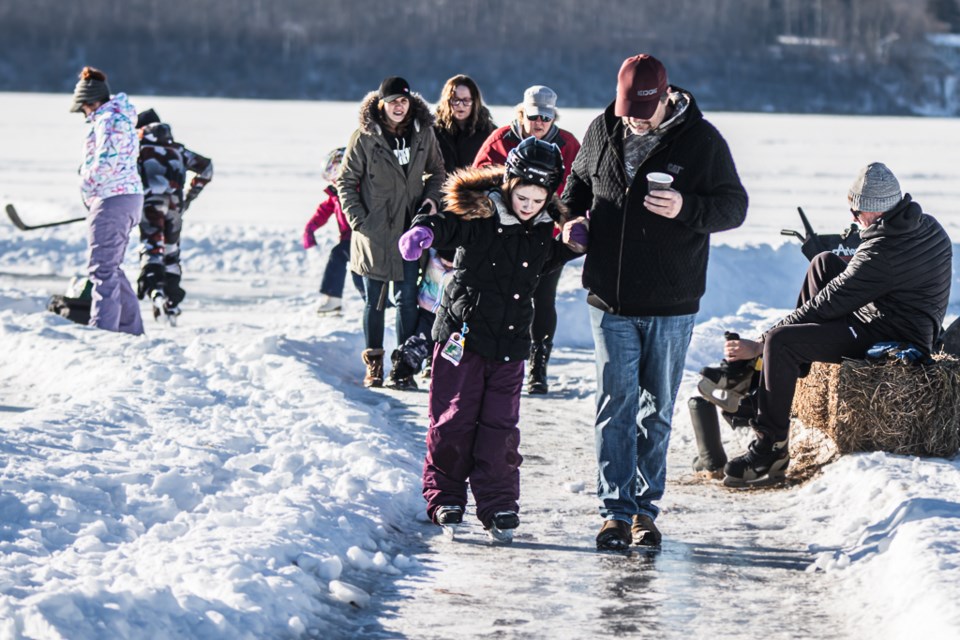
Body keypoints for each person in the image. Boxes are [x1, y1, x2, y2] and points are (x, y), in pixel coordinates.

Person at [562, 54, 748, 550]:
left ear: (666, 96)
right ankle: (614, 512)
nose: (634, 120)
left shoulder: (701, 141)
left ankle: (645, 510)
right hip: (610, 298)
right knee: (614, 406)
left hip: (671, 302)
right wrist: (572, 222)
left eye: (643, 111)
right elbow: (574, 190)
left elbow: (734, 207)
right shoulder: (602, 131)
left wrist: (687, 207)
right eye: (628, 110)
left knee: (656, 410)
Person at [397, 137, 587, 539]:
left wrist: (570, 247)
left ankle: (498, 504)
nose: (529, 205)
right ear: (509, 184)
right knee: (453, 419)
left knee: (501, 428)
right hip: (461, 338)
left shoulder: (539, 231)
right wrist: (424, 232)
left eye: (538, 199)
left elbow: (544, 262)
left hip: (511, 343)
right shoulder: (481, 215)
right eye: (522, 195)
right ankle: (445, 496)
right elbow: (447, 225)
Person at [722, 162, 952, 486]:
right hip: (894, 312)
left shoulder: (881, 253)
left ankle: (770, 450)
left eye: (856, 212)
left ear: (875, 212)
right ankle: (781, 379)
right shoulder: (926, 225)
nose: (853, 218)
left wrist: (761, 342)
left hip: (894, 337)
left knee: (781, 342)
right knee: (824, 263)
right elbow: (850, 282)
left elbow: (827, 303)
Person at [336, 76, 446, 388]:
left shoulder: (423, 133)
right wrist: (360, 220)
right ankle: (374, 364)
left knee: (408, 298)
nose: (399, 106)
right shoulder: (365, 137)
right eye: (393, 101)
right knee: (375, 301)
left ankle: (403, 366)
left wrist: (431, 200)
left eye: (403, 100)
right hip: (375, 232)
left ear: (410, 103)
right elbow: (345, 181)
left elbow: (437, 171)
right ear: (382, 104)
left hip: (410, 231)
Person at [474, 85, 581, 394]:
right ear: (521, 113)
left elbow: (579, 185)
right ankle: (493, 359)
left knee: (543, 297)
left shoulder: (567, 144)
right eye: (534, 116)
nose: (539, 123)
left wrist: (568, 220)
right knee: (500, 297)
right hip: (502, 234)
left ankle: (538, 366)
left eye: (546, 118)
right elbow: (478, 178)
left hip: (546, 234)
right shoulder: (502, 140)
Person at [71, 66, 145, 336]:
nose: (84, 115)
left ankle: (103, 333)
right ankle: (130, 330)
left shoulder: (109, 120)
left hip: (112, 197)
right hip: (125, 196)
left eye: (83, 109)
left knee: (101, 269)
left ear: (90, 103)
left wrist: (86, 181)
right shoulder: (118, 117)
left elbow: (106, 161)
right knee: (111, 267)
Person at [134, 109, 214, 323]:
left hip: (150, 203)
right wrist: (188, 196)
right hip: (174, 206)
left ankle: (154, 290)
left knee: (152, 246)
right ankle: (172, 300)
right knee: (171, 252)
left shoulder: (139, 149)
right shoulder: (178, 150)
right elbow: (206, 168)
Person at [303, 147, 365, 315]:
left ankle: (377, 303)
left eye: (335, 172)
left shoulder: (360, 188)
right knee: (349, 263)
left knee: (355, 266)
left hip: (365, 237)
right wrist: (310, 229)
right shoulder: (336, 195)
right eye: (329, 173)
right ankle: (334, 299)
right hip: (349, 238)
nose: (332, 179)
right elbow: (323, 212)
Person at [385, 247, 456, 389]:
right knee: (418, 344)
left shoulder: (462, 271)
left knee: (449, 347)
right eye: (445, 262)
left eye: (451, 264)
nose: (448, 265)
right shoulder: (432, 259)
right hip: (428, 311)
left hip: (450, 317)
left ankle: (449, 378)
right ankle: (400, 372)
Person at [433, 74, 497, 173]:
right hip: (442, 187)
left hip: (475, 186)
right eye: (455, 100)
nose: (460, 105)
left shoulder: (490, 133)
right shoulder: (434, 131)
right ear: (447, 101)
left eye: (466, 100)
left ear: (475, 101)